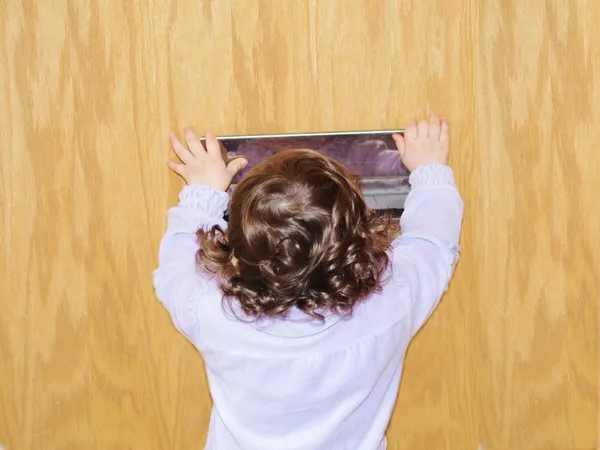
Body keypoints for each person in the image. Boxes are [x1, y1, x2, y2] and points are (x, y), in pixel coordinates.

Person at [153, 114, 463, 450]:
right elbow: (432, 241)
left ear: (238, 244)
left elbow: (175, 268)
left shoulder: (211, 312)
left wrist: (202, 191)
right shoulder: (392, 300)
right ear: (357, 236)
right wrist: (429, 172)